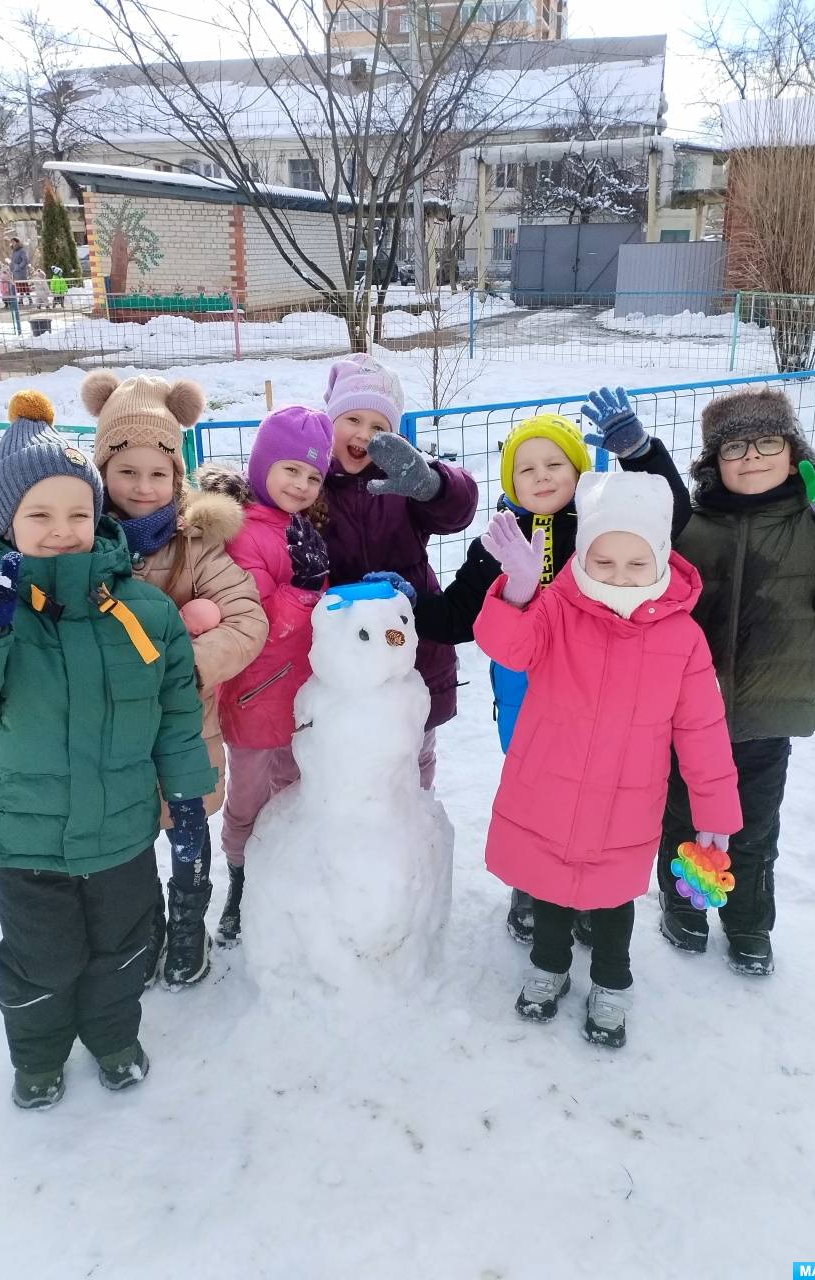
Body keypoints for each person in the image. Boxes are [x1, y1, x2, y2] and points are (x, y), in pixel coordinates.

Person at [0, 391, 216, 1109]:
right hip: (23, 837)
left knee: (122, 951)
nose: (61, 530)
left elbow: (175, 710)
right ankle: (40, 1057)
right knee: (40, 963)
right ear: (8, 522)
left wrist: (187, 793)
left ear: (99, 515)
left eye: (78, 513)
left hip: (119, 832)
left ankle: (113, 1040)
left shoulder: (143, 611)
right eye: (39, 516)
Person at [473, 471, 742, 1048]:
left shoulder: (683, 637)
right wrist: (519, 588)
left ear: (662, 560)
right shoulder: (556, 610)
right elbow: (509, 648)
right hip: (548, 783)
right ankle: (549, 966)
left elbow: (703, 729)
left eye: (635, 563)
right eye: (604, 561)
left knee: (613, 895)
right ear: (582, 557)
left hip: (629, 795)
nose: (618, 575)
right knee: (548, 885)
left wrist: (714, 811)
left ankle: (612, 981)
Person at [414, 387, 692, 944]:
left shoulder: (600, 527)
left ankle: (591, 890)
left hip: (598, 690)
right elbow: (453, 619)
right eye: (526, 469)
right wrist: (405, 590)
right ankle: (532, 885)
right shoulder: (498, 540)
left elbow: (673, 514)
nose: (541, 477)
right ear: (510, 482)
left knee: (596, 786)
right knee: (535, 788)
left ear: (579, 470)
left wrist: (639, 453)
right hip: (521, 692)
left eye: (555, 464)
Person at [657, 388, 815, 975]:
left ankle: (749, 923)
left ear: (791, 448)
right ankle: (684, 907)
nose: (751, 457)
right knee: (681, 815)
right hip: (688, 713)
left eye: (767, 442)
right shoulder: (694, 527)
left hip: (767, 712)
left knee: (751, 827)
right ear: (714, 462)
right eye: (734, 448)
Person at [83, 371, 269, 987]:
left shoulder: (198, 546)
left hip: (187, 727)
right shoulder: (79, 542)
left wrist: (180, 669)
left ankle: (188, 922)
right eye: (127, 471)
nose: (143, 486)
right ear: (102, 471)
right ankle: (144, 934)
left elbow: (246, 621)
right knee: (127, 843)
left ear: (177, 476)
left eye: (158, 473)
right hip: (110, 736)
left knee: (188, 831)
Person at [206, 405, 334, 946]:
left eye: (313, 476)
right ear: (262, 466)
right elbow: (255, 620)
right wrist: (307, 587)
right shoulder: (242, 535)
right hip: (256, 693)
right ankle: (238, 879)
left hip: (302, 691)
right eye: (291, 470)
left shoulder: (301, 527)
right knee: (249, 800)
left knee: (293, 788)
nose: (302, 485)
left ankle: (281, 877)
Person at [321, 354, 479, 790]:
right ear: (328, 419)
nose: (364, 435)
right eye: (352, 418)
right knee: (347, 745)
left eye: (379, 427)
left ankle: (416, 814)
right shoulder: (310, 479)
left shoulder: (405, 479)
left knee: (416, 742)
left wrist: (432, 483)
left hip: (410, 634)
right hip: (343, 638)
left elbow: (460, 510)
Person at [9, 237, 31, 305]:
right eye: (11, 242)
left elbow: (25, 260)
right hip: (15, 272)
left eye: (14, 242)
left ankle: (26, 299)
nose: (12, 243)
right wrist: (11, 267)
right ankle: (23, 300)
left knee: (23, 286)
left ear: (17, 242)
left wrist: (18, 267)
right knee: (20, 286)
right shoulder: (14, 251)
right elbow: (13, 261)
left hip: (21, 272)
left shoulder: (21, 250)